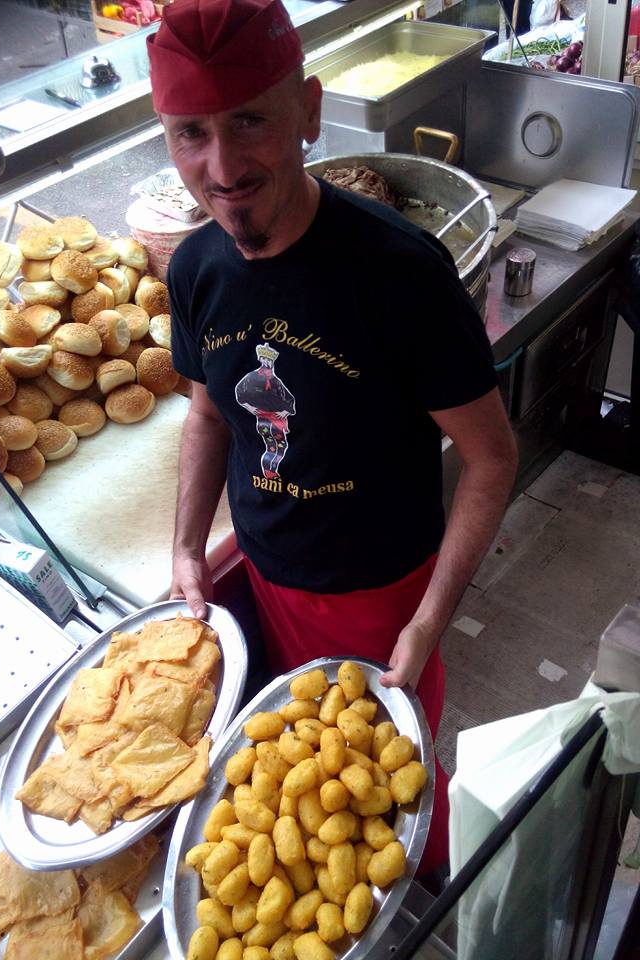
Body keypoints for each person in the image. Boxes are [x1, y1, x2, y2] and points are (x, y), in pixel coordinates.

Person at [146, 0, 518, 874]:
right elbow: (208, 414)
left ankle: (439, 889)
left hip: (388, 596)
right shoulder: (194, 269)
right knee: (313, 797)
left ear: (308, 112)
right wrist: (188, 548)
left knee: (392, 796)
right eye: (191, 133)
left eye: (250, 121)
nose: (222, 168)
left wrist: (429, 622)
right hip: (271, 578)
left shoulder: (400, 273)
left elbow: (492, 457)